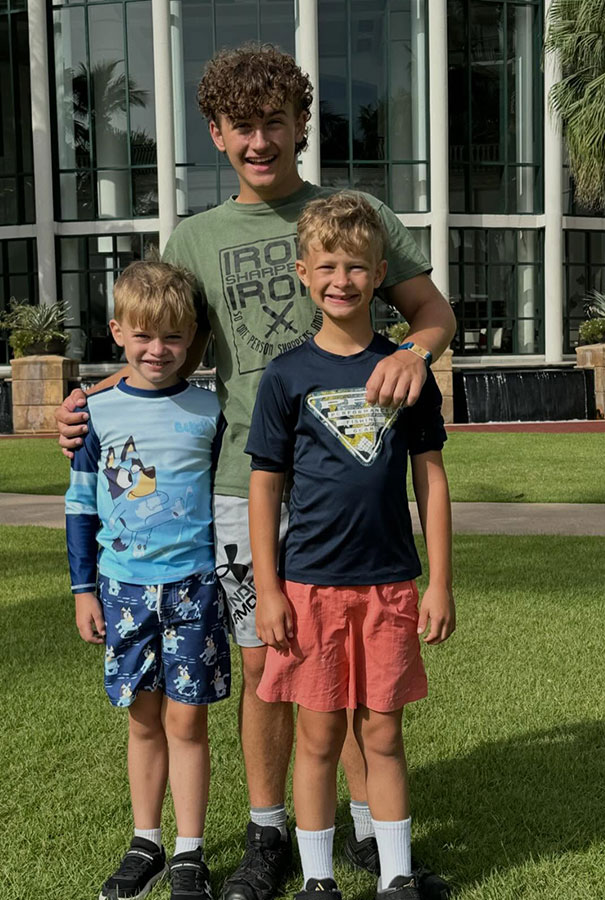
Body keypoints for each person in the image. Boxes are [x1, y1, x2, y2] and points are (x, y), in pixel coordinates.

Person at [56, 44, 457, 900]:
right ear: (217, 134)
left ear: (302, 124)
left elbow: (432, 311)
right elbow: (157, 348)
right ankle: (270, 831)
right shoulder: (194, 237)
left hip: (354, 470)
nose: (261, 141)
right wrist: (95, 410)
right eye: (243, 127)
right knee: (277, 657)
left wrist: (415, 356)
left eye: (276, 122)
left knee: (348, 658)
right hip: (243, 478)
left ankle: (361, 828)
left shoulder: (355, 213)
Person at [246, 192, 455, 900]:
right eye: (327, 265)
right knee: (318, 738)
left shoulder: (407, 374)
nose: (342, 279)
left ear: (380, 273)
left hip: (391, 583)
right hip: (309, 588)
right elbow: (265, 488)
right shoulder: (285, 377)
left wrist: (439, 582)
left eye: (357, 266)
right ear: (304, 273)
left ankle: (396, 875)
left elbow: (431, 480)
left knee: (385, 733)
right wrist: (269, 590)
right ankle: (319, 880)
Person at [65, 261, 230, 900]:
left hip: (195, 587)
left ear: (193, 340)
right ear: (117, 332)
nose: (157, 351)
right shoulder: (94, 412)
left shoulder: (209, 411)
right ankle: (147, 841)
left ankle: (189, 852)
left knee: (187, 722)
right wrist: (84, 590)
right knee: (143, 720)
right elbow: (80, 506)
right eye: (142, 336)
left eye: (172, 338)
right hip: (123, 590)